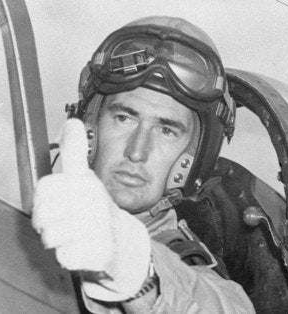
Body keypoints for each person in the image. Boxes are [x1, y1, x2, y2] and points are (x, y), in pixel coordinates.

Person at [32, 16, 255, 313]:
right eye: (124, 118)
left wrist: (135, 273)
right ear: (89, 129)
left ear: (191, 161)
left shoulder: (184, 267)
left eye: (167, 130)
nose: (137, 151)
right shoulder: (21, 214)